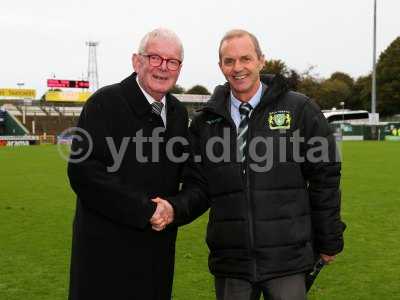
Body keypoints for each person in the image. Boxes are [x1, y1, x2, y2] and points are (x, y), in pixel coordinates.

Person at [152, 29, 346, 300]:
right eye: (229, 61)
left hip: (286, 260)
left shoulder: (299, 109)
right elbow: (198, 185)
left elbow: (325, 177)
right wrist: (173, 209)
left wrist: (329, 238)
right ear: (220, 66)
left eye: (246, 58)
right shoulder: (205, 122)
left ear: (261, 61)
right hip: (232, 263)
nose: (238, 67)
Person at [68, 28, 187, 300]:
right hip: (105, 259)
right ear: (137, 61)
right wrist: (145, 210)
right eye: (155, 58)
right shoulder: (104, 104)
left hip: (157, 256)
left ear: (179, 68)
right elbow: (83, 173)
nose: (163, 68)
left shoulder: (179, 113)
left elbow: (190, 176)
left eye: (172, 62)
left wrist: (174, 209)